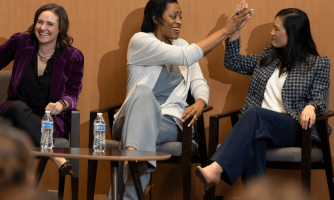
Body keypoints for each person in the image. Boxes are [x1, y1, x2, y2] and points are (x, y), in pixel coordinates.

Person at [111, 0, 253, 199]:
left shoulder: (182, 44)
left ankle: (132, 157)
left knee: (140, 138)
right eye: (173, 16)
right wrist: (226, 30)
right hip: (131, 118)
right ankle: (134, 157)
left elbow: (199, 83)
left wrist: (200, 102)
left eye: (180, 17)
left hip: (168, 122)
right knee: (143, 94)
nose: (179, 21)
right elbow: (185, 57)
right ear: (155, 18)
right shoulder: (140, 41)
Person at [195, 6, 331, 190]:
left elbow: (320, 97)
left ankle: (216, 169)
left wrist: (312, 106)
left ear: (293, 33)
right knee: (255, 138)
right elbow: (233, 62)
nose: (272, 33)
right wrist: (236, 28)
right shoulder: (269, 56)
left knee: (254, 114)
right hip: (261, 128)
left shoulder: (318, 63)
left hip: (296, 127)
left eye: (276, 29)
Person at [0, 3, 84, 175]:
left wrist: (61, 104)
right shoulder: (21, 42)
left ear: (60, 28)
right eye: (40, 22)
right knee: (17, 107)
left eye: (49, 24)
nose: (42, 28)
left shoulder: (72, 56)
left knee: (38, 124)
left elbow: (72, 94)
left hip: (47, 119)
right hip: (14, 115)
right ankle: (56, 157)